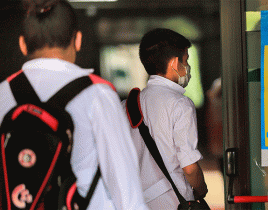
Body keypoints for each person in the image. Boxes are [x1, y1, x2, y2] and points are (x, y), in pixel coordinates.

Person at [0, 0, 149, 209]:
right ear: (77, 40)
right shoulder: (97, 93)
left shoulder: (3, 94)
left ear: (22, 44)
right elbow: (123, 181)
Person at [126, 28, 208, 209]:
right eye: (185, 61)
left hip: (134, 201)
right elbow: (189, 167)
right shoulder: (180, 104)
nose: (186, 67)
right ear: (173, 63)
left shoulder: (128, 105)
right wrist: (201, 189)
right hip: (172, 202)